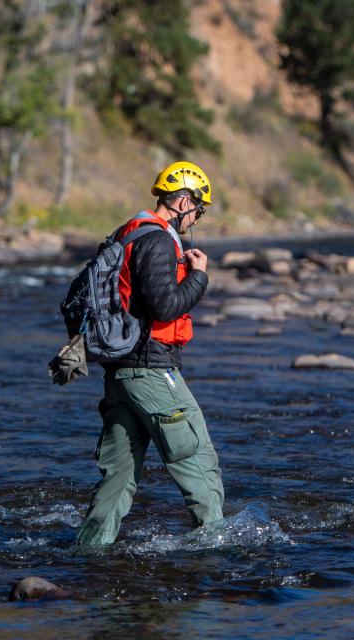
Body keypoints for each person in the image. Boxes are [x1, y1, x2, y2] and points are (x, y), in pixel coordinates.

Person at [75, 161, 225, 546]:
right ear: (183, 200)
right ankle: (219, 549)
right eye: (198, 209)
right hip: (152, 371)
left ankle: (90, 552)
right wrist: (200, 277)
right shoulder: (157, 241)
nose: (196, 218)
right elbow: (164, 306)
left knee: (119, 476)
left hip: (121, 373)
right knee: (197, 458)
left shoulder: (126, 233)